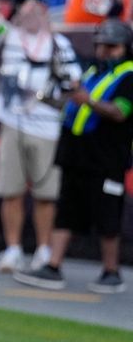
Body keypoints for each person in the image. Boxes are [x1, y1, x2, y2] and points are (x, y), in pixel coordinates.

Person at [0, 0, 83, 274]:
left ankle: (42, 248)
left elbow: (75, 82)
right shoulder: (9, 36)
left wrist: (57, 87)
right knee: (10, 190)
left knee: (45, 193)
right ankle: (12, 248)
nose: (31, 12)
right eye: (26, 7)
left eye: (37, 7)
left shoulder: (59, 43)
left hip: (46, 126)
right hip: (13, 123)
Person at [15, 19, 133, 294]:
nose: (104, 52)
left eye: (111, 47)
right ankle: (53, 266)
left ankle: (111, 271)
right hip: (77, 154)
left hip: (107, 156)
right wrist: (47, 99)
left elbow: (119, 111)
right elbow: (73, 103)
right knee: (66, 210)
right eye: (101, 46)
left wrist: (87, 100)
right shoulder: (93, 70)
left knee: (108, 215)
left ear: (125, 48)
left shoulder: (129, 75)